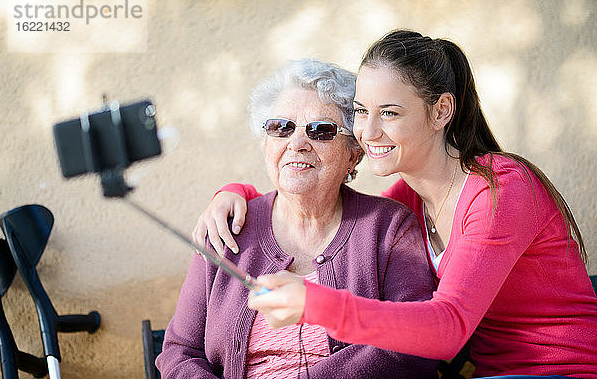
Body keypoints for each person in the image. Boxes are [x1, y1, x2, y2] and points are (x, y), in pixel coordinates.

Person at [193, 30, 597, 378]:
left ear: (441, 111)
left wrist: (315, 303)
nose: (368, 132)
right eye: (361, 112)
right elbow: (322, 199)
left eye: (389, 112)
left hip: (564, 371)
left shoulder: (500, 189)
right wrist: (236, 192)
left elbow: (447, 328)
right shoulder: (409, 201)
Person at [156, 58, 439, 379]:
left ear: (353, 154)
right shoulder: (225, 228)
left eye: (321, 131)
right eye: (281, 127)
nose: (297, 143)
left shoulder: (389, 227)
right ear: (266, 143)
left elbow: (412, 347)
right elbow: (179, 352)